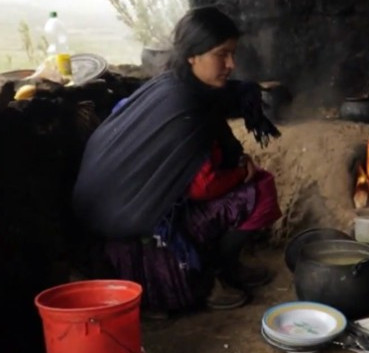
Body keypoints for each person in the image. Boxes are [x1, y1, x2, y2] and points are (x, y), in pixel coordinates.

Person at [72, 6, 282, 318]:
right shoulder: (185, 108)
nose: (231, 64)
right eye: (222, 54)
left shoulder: (174, 85)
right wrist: (241, 172)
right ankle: (213, 274)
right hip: (135, 225)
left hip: (111, 215)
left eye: (233, 54)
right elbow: (203, 188)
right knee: (261, 188)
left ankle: (225, 266)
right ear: (192, 55)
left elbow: (219, 115)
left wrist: (238, 150)